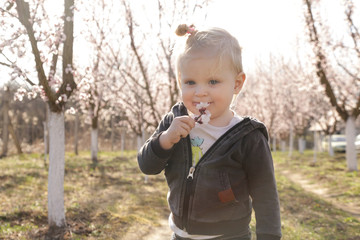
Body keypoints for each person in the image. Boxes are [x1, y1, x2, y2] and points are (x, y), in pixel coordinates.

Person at [137, 24, 282, 240]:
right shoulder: (174, 120)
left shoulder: (247, 136)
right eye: (190, 82)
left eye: (213, 81)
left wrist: (269, 236)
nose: (200, 91)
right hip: (180, 234)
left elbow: (265, 194)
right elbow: (147, 166)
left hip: (230, 235)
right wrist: (166, 140)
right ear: (180, 81)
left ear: (237, 83)